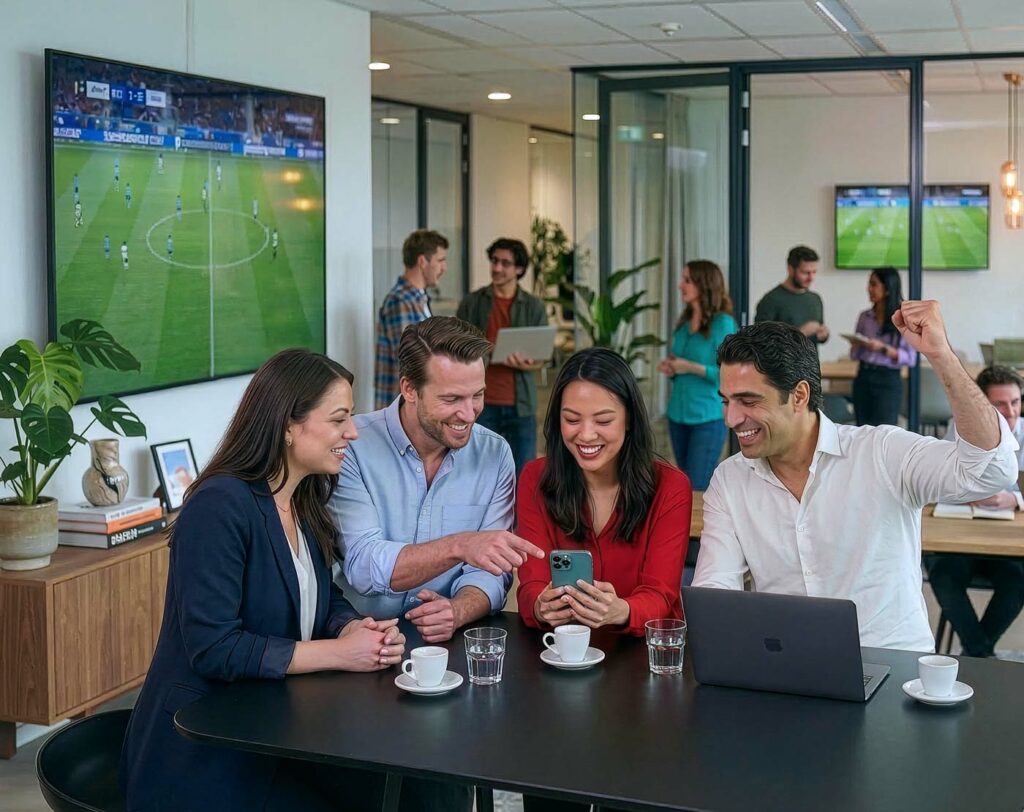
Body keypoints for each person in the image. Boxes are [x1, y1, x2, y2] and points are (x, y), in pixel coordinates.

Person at [120, 349, 407, 811]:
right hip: (203, 750)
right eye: (338, 419)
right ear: (288, 425)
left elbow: (319, 597)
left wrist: (351, 628)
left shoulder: (304, 498)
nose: (352, 432)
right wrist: (338, 653)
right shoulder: (218, 506)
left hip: (272, 730)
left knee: (396, 788)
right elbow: (214, 646)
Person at [692, 301, 1019, 652]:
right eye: (726, 401)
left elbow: (991, 471)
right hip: (788, 667)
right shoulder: (731, 479)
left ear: (799, 395)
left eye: (748, 401)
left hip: (893, 668)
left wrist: (941, 355)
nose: (731, 418)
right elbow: (715, 589)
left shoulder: (881, 453)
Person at [331, 317, 542, 812]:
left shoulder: (494, 453)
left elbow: (492, 569)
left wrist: (461, 609)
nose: (468, 414)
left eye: (477, 396)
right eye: (451, 400)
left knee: (440, 798)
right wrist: (458, 545)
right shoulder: (354, 444)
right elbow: (362, 564)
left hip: (447, 651)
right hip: (360, 644)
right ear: (408, 389)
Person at [515, 348, 690, 812]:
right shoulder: (536, 478)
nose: (586, 435)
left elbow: (662, 594)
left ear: (630, 419)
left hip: (640, 674)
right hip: (560, 671)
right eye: (572, 419)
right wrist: (538, 605)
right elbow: (531, 581)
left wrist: (623, 610)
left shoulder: (669, 487)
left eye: (603, 420)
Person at [926, 365, 1024, 657]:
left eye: (1016, 402)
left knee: (1018, 582)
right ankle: (981, 655)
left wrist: (1015, 500)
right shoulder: (960, 430)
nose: (1010, 412)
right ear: (981, 405)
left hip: (1007, 541)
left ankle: (974, 654)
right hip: (961, 537)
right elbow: (933, 482)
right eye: (1000, 405)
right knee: (942, 575)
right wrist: (963, 493)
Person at [456, 237, 548, 476]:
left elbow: (542, 355)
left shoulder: (533, 306)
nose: (497, 268)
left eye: (505, 263)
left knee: (522, 475)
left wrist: (529, 363)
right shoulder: (473, 303)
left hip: (521, 406)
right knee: (476, 473)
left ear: (519, 269)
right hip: (480, 403)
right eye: (495, 261)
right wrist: (490, 350)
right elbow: (454, 346)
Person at [657, 260, 737, 490]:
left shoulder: (723, 324)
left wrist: (689, 367)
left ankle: (698, 528)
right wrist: (672, 368)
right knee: (683, 484)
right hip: (678, 415)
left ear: (705, 285)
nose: (681, 285)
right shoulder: (684, 323)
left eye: (687, 280)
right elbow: (680, 363)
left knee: (696, 487)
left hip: (706, 418)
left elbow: (728, 373)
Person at [374, 229, 448, 409]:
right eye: (440, 260)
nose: (444, 268)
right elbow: (411, 357)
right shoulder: (400, 300)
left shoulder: (419, 299)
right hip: (402, 409)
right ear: (422, 261)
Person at [848, 267, 917, 426]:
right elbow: (854, 355)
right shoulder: (864, 317)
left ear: (887, 289)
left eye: (874, 284)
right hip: (863, 376)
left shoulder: (903, 319)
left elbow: (910, 358)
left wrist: (883, 348)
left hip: (888, 379)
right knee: (862, 431)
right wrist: (857, 344)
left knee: (884, 433)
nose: (869, 289)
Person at [754, 245, 829, 348]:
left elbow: (815, 336)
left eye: (814, 272)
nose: (811, 277)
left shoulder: (815, 299)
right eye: (805, 272)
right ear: (790, 269)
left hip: (811, 363)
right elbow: (760, 343)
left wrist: (823, 335)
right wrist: (800, 333)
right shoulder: (770, 301)